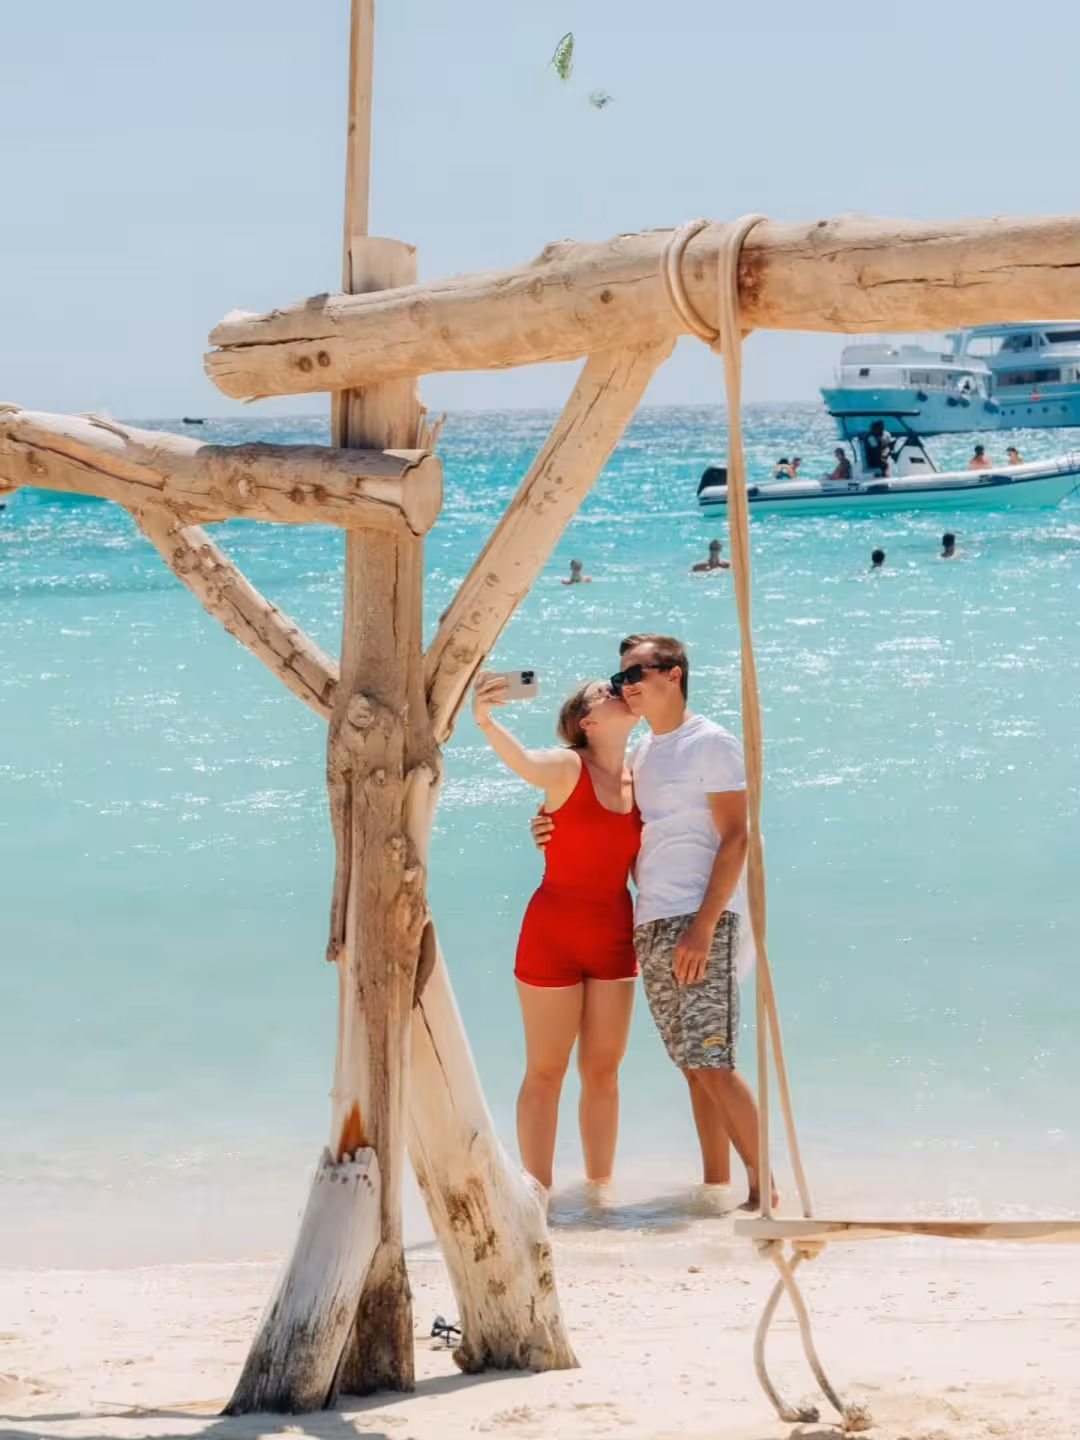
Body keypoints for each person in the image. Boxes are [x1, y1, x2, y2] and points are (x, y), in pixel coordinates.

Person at [533, 635, 772, 1212]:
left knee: (714, 1061)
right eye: (618, 680)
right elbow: (604, 815)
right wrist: (547, 826)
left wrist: (704, 927)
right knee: (693, 1067)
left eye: (632, 675)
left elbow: (737, 837)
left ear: (673, 674)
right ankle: (716, 1189)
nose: (624, 687)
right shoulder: (642, 755)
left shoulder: (710, 743)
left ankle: (765, 1192)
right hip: (652, 920)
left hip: (700, 918)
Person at [472, 670, 641, 1200]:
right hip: (553, 934)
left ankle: (599, 1196)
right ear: (586, 722)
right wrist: (485, 719)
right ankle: (536, 1198)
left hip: (615, 935)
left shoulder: (643, 775)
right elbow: (526, 763)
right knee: (547, 1070)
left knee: (604, 1071)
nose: (618, 690)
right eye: (605, 691)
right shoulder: (568, 766)